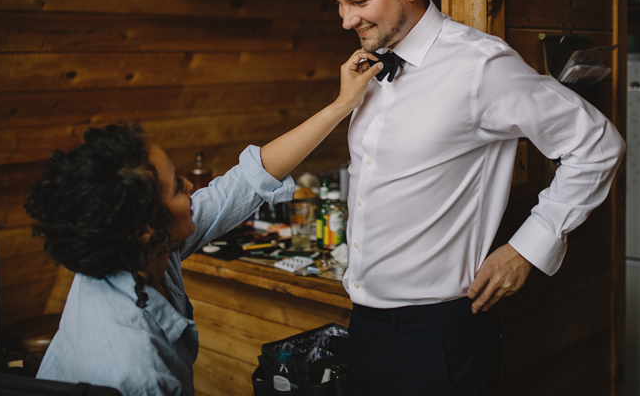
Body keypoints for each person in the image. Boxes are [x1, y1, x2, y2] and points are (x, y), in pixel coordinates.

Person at [316, 0, 626, 395]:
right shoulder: (369, 69)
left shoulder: (480, 65)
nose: (346, 20)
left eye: (359, 2)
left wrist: (528, 247)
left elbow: (598, 144)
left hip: (438, 334)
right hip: (367, 325)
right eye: (338, 5)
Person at [24, 49, 384, 396]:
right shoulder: (140, 370)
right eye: (178, 189)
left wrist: (342, 105)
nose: (190, 190)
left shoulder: (133, 252)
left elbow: (243, 182)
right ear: (146, 229)